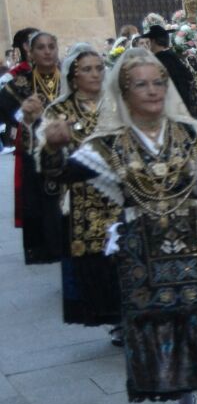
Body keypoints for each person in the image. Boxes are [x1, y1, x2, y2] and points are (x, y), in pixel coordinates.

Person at [38, 47, 197, 404]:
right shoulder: (109, 144)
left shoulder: (189, 132)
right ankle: (183, 401)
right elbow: (60, 176)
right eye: (140, 84)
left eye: (158, 83)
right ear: (125, 93)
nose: (151, 91)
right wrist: (52, 146)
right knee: (168, 322)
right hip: (144, 246)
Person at [37, 43, 122, 335]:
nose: (95, 74)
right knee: (97, 261)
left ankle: (130, 315)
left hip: (121, 195)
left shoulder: (118, 104)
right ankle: (114, 316)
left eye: (99, 67)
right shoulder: (59, 110)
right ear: (73, 76)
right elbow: (48, 162)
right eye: (87, 69)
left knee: (125, 254)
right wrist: (53, 145)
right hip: (83, 200)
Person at [0, 30, 65, 263]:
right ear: (31, 52)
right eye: (41, 47)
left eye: (51, 46)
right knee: (40, 205)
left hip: (68, 153)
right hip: (34, 154)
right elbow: (3, 111)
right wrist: (23, 115)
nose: (47, 52)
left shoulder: (68, 77)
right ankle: (46, 250)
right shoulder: (21, 82)